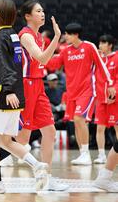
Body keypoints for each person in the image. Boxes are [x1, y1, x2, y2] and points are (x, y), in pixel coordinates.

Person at [0, 0, 49, 193]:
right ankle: (37, 165)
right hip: (13, 94)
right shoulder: (10, 35)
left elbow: (3, 65)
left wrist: (7, 89)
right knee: (6, 142)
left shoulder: (0, 37)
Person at [0, 0, 68, 191]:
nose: (43, 13)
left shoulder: (39, 36)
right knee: (22, 138)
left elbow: (45, 61)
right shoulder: (25, 35)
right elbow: (42, 58)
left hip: (38, 84)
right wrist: (57, 37)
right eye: (38, 11)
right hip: (26, 84)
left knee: (50, 131)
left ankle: (47, 177)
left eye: (43, 10)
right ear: (28, 16)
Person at [46, 23, 114, 165]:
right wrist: (40, 57)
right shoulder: (65, 51)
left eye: (68, 34)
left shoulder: (89, 47)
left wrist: (110, 84)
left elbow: (101, 66)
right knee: (76, 123)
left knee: (78, 119)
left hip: (87, 91)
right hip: (72, 93)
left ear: (75, 35)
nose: (65, 37)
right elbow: (53, 64)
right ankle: (83, 154)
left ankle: (86, 154)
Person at [94, 34, 118, 164]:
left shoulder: (117, 57)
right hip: (100, 100)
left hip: (114, 100)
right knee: (99, 129)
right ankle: (102, 155)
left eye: (103, 43)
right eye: (100, 43)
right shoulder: (99, 60)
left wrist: (114, 95)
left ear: (110, 45)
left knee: (117, 128)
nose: (100, 46)